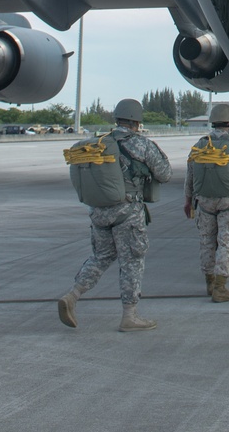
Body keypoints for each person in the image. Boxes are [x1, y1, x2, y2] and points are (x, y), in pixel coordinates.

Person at [59, 99, 172, 331]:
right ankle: (129, 316)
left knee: (101, 256)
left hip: (99, 211)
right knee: (132, 261)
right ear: (137, 121)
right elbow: (165, 174)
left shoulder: (100, 142)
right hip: (127, 211)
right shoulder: (141, 145)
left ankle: (72, 296)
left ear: (117, 118)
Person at [184, 104, 229, 301]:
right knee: (226, 242)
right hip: (228, 200)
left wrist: (188, 200)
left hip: (204, 201)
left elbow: (190, 176)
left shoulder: (199, 144)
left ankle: (209, 282)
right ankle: (220, 286)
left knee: (207, 241)